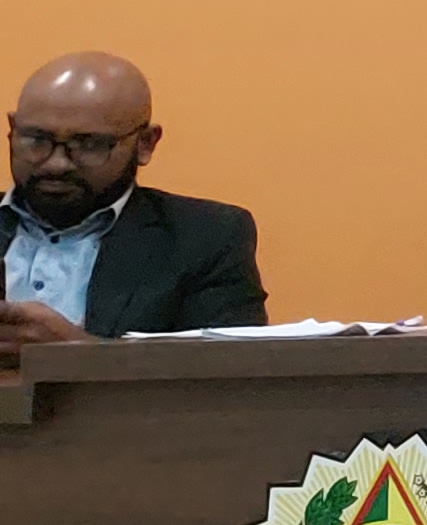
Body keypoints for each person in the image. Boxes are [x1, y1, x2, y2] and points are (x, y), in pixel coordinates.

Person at [4, 52, 265, 344]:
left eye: (89, 144)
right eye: (37, 140)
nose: (57, 164)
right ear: (12, 130)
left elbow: (231, 366)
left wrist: (75, 353)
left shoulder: (206, 238)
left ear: (145, 144)